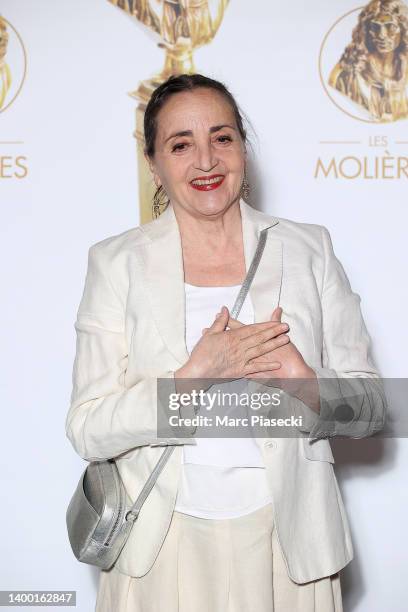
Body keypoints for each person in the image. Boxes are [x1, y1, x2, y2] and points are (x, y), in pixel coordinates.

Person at [65, 73, 386, 611]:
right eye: (181, 144)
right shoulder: (116, 261)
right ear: (154, 165)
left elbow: (373, 407)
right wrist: (193, 378)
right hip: (160, 545)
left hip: (290, 548)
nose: (207, 161)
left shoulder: (310, 249)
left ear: (243, 147)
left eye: (222, 137)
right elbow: (86, 428)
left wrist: (308, 385)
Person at [328, 0, 408, 122]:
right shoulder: (349, 75)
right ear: (366, 30)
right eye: (375, 27)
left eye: (391, 26)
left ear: (404, 29)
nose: (382, 35)